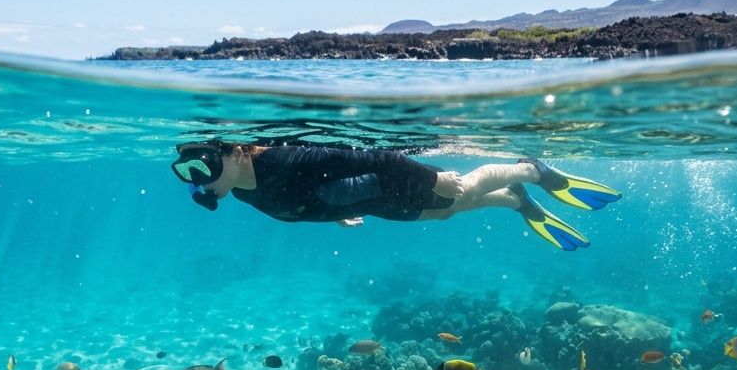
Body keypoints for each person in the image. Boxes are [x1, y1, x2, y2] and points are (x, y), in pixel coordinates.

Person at [170, 141, 620, 250]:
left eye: (203, 166)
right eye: (189, 176)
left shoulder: (283, 160)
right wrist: (335, 212)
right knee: (447, 216)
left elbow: (374, 156)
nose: (198, 181)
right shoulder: (246, 193)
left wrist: (429, 178)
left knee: (458, 191)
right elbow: (301, 207)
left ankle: (531, 169)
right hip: (372, 203)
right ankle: (516, 199)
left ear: (234, 152)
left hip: (391, 179)